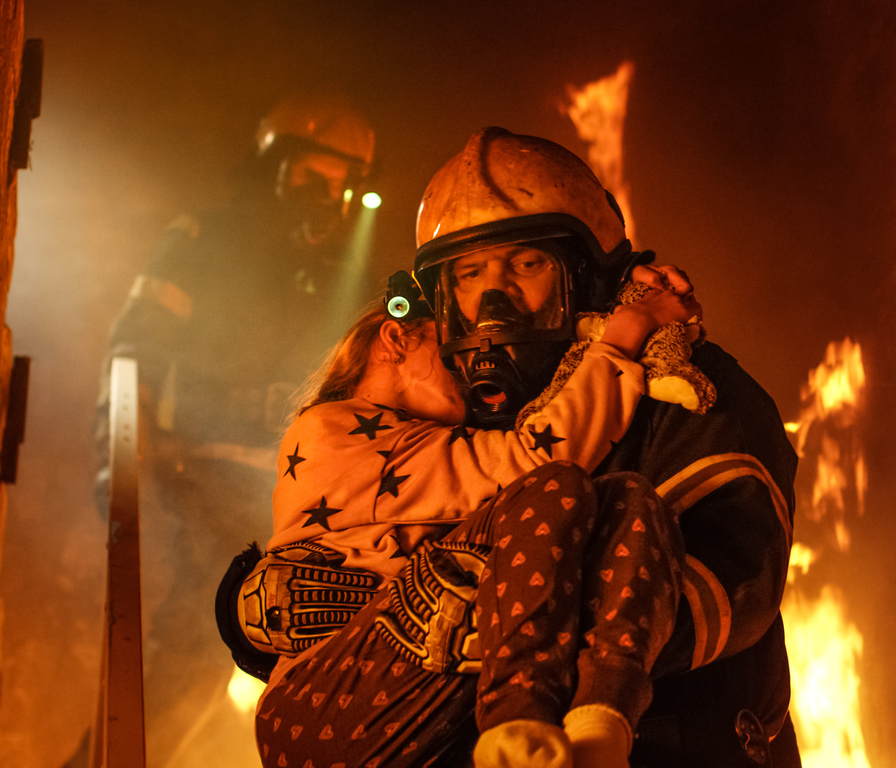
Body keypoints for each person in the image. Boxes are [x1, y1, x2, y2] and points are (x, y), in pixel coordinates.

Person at [410, 128, 800, 767]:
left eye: (526, 264)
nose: (491, 302)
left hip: (675, 745)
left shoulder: (690, 391)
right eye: (469, 273)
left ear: (588, 275)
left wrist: (502, 631)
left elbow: (732, 582)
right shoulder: (445, 418)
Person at [238, 262, 698, 768]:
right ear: (396, 338)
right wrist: (627, 330)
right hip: (323, 706)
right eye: (448, 350)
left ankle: (599, 738)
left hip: (405, 698)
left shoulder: (413, 449)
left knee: (628, 501)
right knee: (553, 486)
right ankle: (518, 731)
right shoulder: (331, 428)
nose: (469, 368)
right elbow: (537, 460)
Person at [96, 91, 378, 767]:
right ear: (272, 167)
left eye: (341, 184)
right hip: (203, 467)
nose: (325, 195)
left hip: (305, 492)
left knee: (308, 667)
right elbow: (133, 347)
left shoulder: (348, 272)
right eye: (311, 175)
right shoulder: (206, 240)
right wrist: (117, 461)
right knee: (199, 644)